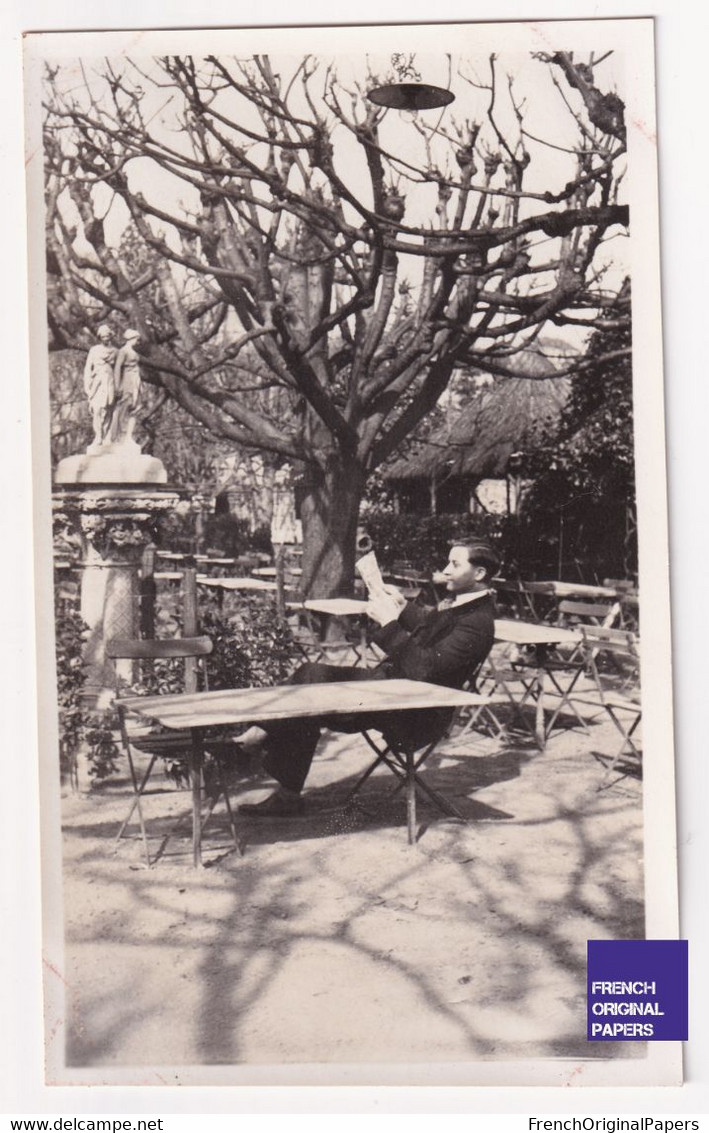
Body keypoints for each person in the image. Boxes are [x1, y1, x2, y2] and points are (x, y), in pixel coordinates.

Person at [238, 539, 500, 817]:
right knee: (308, 676)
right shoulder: (463, 605)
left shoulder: (478, 623)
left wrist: (389, 625)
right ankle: (271, 757)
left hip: (416, 711)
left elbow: (426, 668)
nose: (446, 570)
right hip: (393, 689)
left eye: (455, 564)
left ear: (480, 574)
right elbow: (430, 633)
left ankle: (262, 742)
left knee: (311, 684)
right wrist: (401, 608)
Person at [83, 324, 116, 448]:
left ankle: (106, 436)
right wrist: (88, 386)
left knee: (108, 410)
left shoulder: (115, 352)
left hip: (110, 381)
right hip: (97, 383)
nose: (105, 338)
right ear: (99, 337)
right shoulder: (94, 350)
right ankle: (98, 435)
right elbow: (87, 369)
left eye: (107, 336)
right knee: (97, 409)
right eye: (103, 336)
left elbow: (119, 370)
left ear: (110, 336)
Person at [110, 328, 142, 445]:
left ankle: (129, 436)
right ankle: (119, 435)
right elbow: (117, 368)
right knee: (124, 406)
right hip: (127, 380)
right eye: (137, 339)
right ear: (131, 339)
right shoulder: (123, 351)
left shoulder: (134, 352)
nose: (137, 342)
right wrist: (117, 386)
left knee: (136, 407)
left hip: (135, 380)